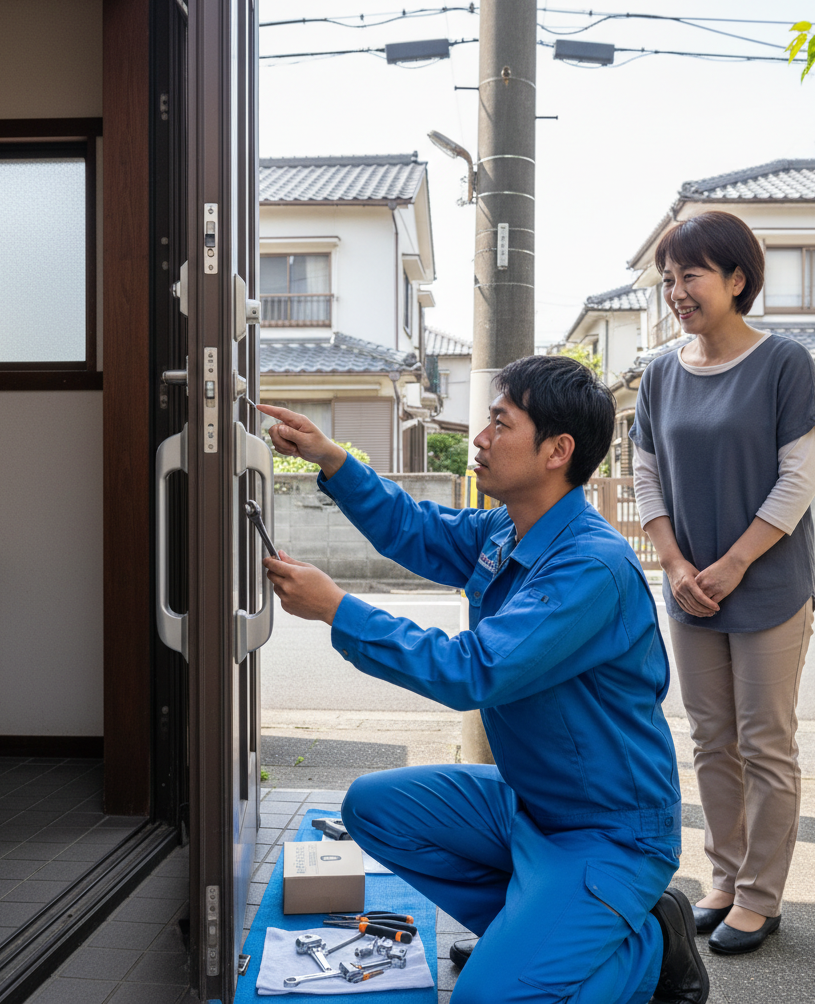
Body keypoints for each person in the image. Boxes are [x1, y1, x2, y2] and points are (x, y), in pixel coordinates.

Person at [258, 354, 710, 1004]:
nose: (479, 438)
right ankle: (525, 931)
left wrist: (338, 609)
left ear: (557, 451)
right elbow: (416, 530)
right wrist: (331, 458)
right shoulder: (509, 527)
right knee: (372, 808)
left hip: (608, 831)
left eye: (500, 423)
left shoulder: (590, 566)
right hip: (529, 802)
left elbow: (474, 670)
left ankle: (650, 949)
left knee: (484, 1000)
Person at [630, 211, 815, 956]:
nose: (677, 292)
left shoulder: (785, 364)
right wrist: (674, 563)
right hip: (690, 589)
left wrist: (735, 563)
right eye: (669, 279)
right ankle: (726, 877)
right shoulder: (659, 373)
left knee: (765, 743)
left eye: (692, 275)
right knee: (712, 740)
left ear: (738, 279)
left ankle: (761, 897)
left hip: (769, 587)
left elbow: (797, 479)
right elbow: (645, 475)